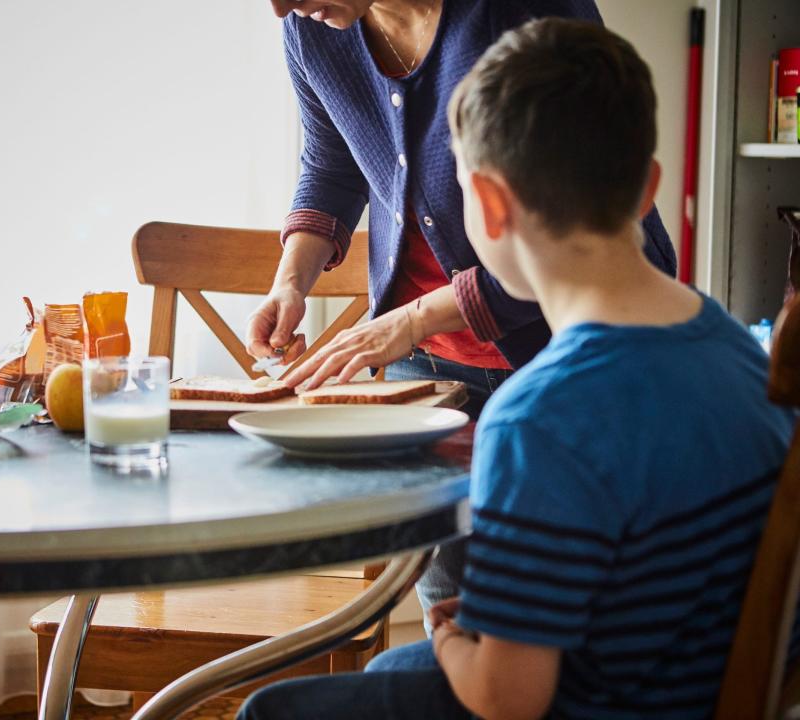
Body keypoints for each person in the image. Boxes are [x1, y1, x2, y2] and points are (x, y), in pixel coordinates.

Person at [238, 18, 797, 720]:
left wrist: (447, 638)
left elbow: (508, 700)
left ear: (491, 210)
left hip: (588, 705)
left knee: (272, 709)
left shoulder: (536, 420)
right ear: (648, 186)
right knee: (392, 666)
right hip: (686, 685)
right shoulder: (745, 356)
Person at [249, 0, 677, 619]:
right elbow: (331, 164)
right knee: (455, 607)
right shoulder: (311, 31)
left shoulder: (524, 9)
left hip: (563, 347)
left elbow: (569, 225)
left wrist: (411, 319)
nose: (280, 6)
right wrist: (291, 280)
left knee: (577, 603)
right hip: (425, 367)